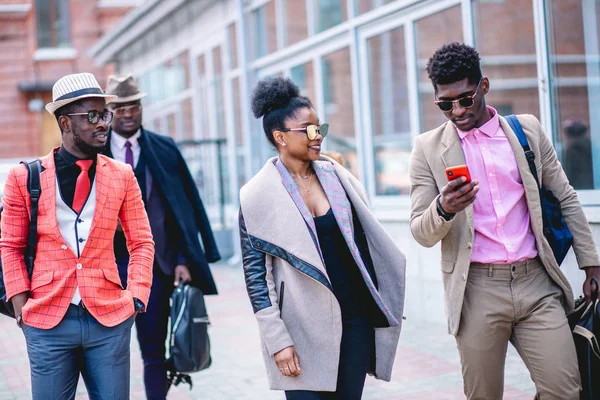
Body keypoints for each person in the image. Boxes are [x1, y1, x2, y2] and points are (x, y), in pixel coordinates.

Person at [409, 42, 600, 400]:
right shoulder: (428, 148)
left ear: (484, 86)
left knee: (565, 391)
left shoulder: (526, 130)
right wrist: (444, 208)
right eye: (445, 104)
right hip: (477, 288)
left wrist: (591, 263)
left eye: (465, 98)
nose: (457, 111)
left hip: (537, 283)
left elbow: (566, 196)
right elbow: (420, 230)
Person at [239, 77, 406, 399]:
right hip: (300, 330)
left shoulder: (339, 177)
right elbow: (257, 280)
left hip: (354, 321)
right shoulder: (257, 195)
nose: (319, 137)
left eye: (320, 127)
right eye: (309, 130)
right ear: (281, 137)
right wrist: (278, 341)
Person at [0, 72, 154, 399]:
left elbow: (141, 240)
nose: (103, 124)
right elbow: (10, 247)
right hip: (46, 321)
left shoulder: (122, 176)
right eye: (93, 116)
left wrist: (136, 295)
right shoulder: (23, 177)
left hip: (109, 318)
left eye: (105, 115)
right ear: (66, 123)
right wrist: (21, 306)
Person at [103, 74, 221, 400]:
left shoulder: (163, 148)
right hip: (106, 269)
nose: (128, 114)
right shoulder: (93, 151)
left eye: (134, 106)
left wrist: (184, 259)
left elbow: (184, 208)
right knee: (107, 350)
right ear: (109, 109)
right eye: (120, 107)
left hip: (158, 267)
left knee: (154, 350)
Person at [562, 119, 594, 189]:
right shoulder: (590, 145)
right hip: (590, 185)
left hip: (578, 187)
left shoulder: (572, 148)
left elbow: (569, 172)